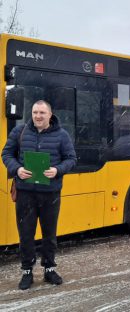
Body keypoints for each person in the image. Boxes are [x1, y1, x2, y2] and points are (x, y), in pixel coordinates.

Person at [1, 100, 77, 290]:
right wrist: (17, 169)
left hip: (50, 193)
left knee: (49, 235)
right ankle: (27, 272)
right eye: (35, 112)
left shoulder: (62, 135)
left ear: (50, 115)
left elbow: (72, 159)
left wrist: (57, 170)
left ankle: (49, 269)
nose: (38, 116)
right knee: (25, 235)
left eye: (42, 112)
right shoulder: (19, 132)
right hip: (25, 194)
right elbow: (6, 154)